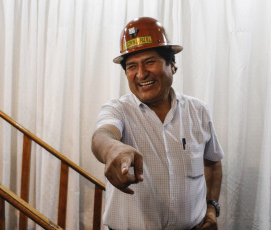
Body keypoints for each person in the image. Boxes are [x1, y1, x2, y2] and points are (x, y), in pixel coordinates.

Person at [92, 17, 224, 230]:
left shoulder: (198, 111)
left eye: (150, 62)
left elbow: (213, 163)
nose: (141, 74)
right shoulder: (118, 109)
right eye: (132, 66)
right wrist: (113, 149)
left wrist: (211, 206)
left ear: (172, 65)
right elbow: (102, 136)